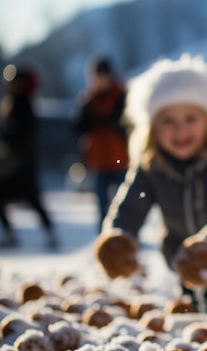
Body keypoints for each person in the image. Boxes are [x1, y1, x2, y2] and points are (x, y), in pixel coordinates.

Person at [92, 55, 207, 314]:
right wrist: (119, 237)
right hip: (180, 251)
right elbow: (130, 208)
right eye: (168, 121)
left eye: (191, 118)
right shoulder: (150, 166)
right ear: (152, 127)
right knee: (189, 304)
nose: (180, 131)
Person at [0, 64, 58, 248]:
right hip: (17, 164)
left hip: (21, 164)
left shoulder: (21, 105)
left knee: (32, 198)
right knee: (32, 199)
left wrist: (8, 143)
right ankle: (47, 233)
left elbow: (19, 135)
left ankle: (48, 234)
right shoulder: (12, 103)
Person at [72, 56, 130, 231]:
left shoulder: (122, 96)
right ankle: (104, 238)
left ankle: (127, 234)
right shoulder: (88, 99)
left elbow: (125, 125)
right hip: (98, 160)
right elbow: (78, 126)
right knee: (101, 205)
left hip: (121, 158)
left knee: (125, 202)